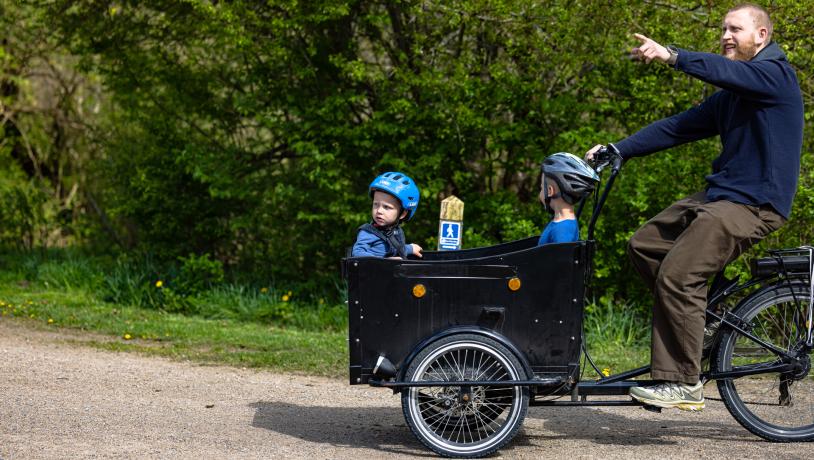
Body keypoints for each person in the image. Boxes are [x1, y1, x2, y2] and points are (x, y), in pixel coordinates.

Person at [586, 3, 803, 411]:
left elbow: (727, 72)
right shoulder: (733, 97)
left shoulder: (775, 76)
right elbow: (679, 127)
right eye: (722, 28)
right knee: (645, 245)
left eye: (734, 29)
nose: (725, 35)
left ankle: (682, 382)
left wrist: (673, 56)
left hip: (756, 203)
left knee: (679, 276)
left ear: (761, 36)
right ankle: (711, 316)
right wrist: (620, 149)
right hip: (723, 197)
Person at [352, 171, 424, 259]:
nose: (379, 211)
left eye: (386, 207)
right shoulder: (368, 232)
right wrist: (385, 262)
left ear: (403, 214)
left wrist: (410, 248)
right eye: (376, 204)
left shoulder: (396, 231)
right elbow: (357, 253)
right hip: (372, 271)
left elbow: (395, 249)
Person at [538, 152, 599, 245]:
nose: (540, 193)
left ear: (550, 191)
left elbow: (561, 258)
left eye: (542, 188)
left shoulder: (562, 230)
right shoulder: (561, 223)